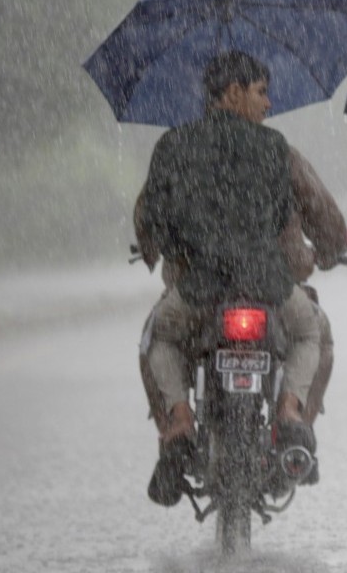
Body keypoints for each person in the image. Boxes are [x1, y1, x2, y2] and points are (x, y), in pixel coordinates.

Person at [136, 50, 333, 505]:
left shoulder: (173, 145)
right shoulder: (273, 146)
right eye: (261, 92)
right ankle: (290, 412)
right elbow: (281, 217)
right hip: (266, 284)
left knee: (160, 338)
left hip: (201, 288)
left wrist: (182, 246)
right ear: (233, 92)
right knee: (310, 333)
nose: (268, 103)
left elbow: (155, 220)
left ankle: (180, 421)